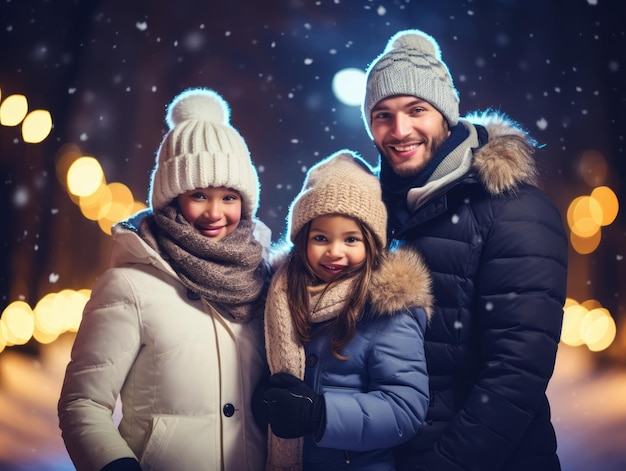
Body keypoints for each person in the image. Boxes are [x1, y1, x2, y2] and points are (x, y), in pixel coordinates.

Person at [361, 29, 568, 471]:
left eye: (417, 110)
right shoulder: (377, 214)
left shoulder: (515, 210)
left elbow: (514, 377)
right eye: (383, 115)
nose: (400, 130)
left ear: (446, 115)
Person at [58, 88, 272, 471]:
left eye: (229, 197)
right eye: (199, 195)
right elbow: (84, 403)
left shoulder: (263, 283)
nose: (214, 212)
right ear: (172, 199)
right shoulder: (129, 285)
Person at [256, 149, 434, 470]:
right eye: (321, 237)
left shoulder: (387, 309)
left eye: (351, 239)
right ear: (302, 239)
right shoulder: (279, 293)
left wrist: (321, 414)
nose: (334, 252)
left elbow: (405, 408)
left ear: (371, 242)